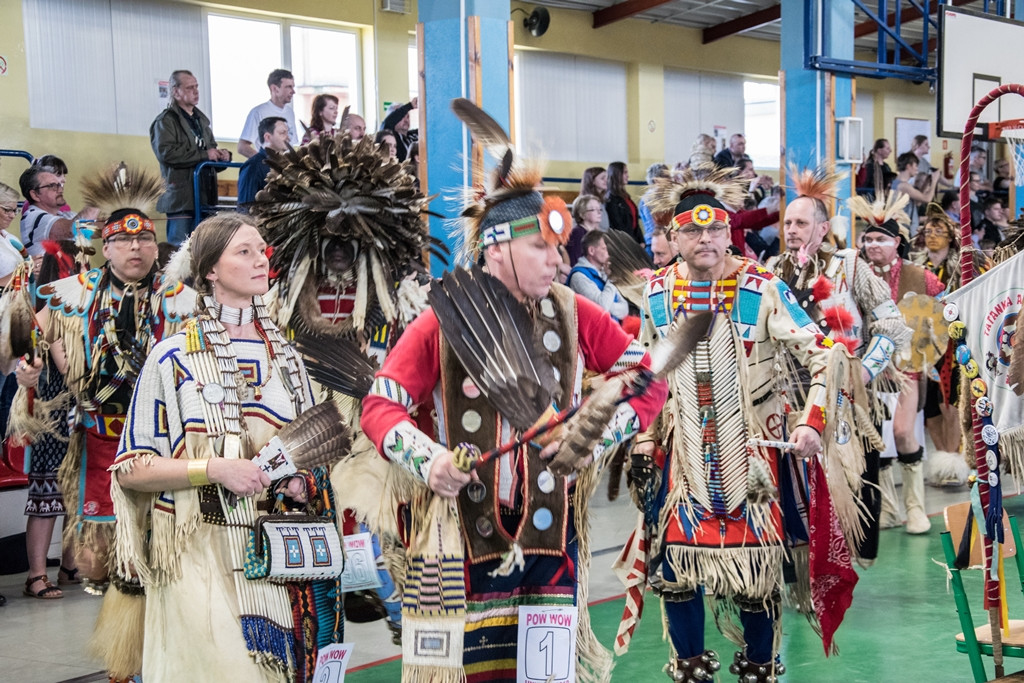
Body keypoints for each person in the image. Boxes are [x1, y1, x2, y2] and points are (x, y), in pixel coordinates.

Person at [359, 99, 667, 682]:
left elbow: (647, 379)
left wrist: (597, 432)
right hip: (452, 535)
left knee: (544, 675)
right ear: (496, 247)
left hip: (548, 533)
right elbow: (381, 404)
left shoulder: (576, 313)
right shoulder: (442, 320)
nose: (557, 260)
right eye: (541, 248)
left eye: (559, 249)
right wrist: (428, 461)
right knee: (449, 672)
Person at [630, 165, 844, 681]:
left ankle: (759, 666)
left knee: (756, 575)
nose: (707, 240)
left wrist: (812, 422)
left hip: (751, 455)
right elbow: (644, 374)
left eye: (717, 229)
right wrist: (642, 441)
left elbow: (826, 352)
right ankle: (688, 667)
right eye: (693, 231)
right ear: (672, 236)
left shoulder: (761, 285)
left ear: (731, 232)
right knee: (676, 572)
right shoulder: (655, 293)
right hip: (683, 455)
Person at [110, 213, 340, 682]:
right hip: (197, 554)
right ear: (210, 270)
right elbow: (131, 469)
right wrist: (212, 469)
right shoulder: (173, 356)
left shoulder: (291, 361)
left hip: (277, 555)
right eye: (245, 252)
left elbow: (320, 456)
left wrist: (302, 482)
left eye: (262, 250)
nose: (261, 260)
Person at [250, 122, 438, 644]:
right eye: (327, 238)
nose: (338, 250)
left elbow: (424, 365)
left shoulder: (403, 294)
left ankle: (404, 618)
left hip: (379, 429)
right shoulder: (280, 299)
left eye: (350, 239)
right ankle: (318, 637)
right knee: (316, 541)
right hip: (307, 430)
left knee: (387, 530)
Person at [15, 166, 197, 595]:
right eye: (123, 240)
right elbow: (31, 334)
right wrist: (30, 367)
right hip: (101, 434)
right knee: (94, 562)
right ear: (106, 247)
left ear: (157, 246)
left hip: (163, 440)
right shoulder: (76, 292)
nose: (136, 247)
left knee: (163, 553)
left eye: (145, 239)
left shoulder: (184, 300)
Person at [766, 166, 910, 567]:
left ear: (822, 227)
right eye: (787, 222)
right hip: (790, 402)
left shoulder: (848, 266)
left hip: (846, 399)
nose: (792, 229)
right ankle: (801, 570)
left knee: (842, 487)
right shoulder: (773, 272)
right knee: (794, 493)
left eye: (801, 222)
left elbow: (893, 325)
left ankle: (837, 566)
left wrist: (863, 372)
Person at [849, 192, 944, 534]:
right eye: (868, 238)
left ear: (897, 242)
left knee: (903, 432)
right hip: (866, 368)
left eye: (881, 239)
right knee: (877, 438)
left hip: (907, 367)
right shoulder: (852, 274)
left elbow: (944, 312)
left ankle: (915, 508)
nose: (873, 245)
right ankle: (887, 508)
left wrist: (933, 348)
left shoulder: (920, 277)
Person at [150, 69, 230, 246]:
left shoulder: (202, 121)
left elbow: (211, 151)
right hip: (182, 198)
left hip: (205, 197)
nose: (195, 91)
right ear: (175, 91)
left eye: (196, 87)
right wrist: (204, 155)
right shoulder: (165, 121)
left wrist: (222, 156)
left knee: (205, 247)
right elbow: (166, 153)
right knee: (180, 250)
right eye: (189, 88)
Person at [18, 165, 98, 266]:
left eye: (60, 185)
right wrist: (100, 195)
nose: (60, 190)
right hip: (52, 281)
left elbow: (96, 228)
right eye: (52, 186)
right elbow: (74, 229)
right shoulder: (33, 217)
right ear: (35, 195)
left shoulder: (66, 216)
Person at [568, 230, 628, 322]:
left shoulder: (604, 273)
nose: (609, 253)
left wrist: (608, 305)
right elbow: (602, 308)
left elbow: (625, 310)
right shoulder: (579, 276)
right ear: (591, 251)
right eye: (604, 248)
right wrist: (611, 278)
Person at [238, 69, 299, 158]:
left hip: (286, 168)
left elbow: (291, 144)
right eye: (288, 87)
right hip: (269, 169)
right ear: (274, 89)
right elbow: (242, 147)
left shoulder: (290, 112)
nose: (293, 91)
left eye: (293, 87)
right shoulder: (258, 112)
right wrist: (265, 162)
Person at [236, 116, 290, 209]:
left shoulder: (286, 165)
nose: (288, 138)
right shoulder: (253, 166)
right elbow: (245, 207)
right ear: (267, 137)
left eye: (287, 133)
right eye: (282, 133)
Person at [891, 152, 940, 236]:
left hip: (906, 228)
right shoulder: (903, 186)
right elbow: (927, 199)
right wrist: (934, 181)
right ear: (908, 166)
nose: (917, 169)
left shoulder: (899, 184)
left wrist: (928, 181)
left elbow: (918, 203)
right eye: (916, 166)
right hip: (904, 230)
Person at [606, 161, 642, 244]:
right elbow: (618, 226)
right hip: (623, 243)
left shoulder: (626, 197)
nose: (628, 176)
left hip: (633, 241)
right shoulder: (611, 199)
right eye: (625, 172)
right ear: (616, 174)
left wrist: (640, 240)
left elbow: (635, 222)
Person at [566, 193, 604, 265]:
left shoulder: (595, 233)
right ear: (582, 214)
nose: (599, 212)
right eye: (593, 209)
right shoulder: (577, 234)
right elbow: (575, 262)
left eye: (600, 209)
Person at [639, 163, 668, 254]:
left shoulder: (663, 197)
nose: (670, 180)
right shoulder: (650, 199)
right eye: (666, 177)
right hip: (653, 242)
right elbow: (653, 226)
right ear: (656, 180)